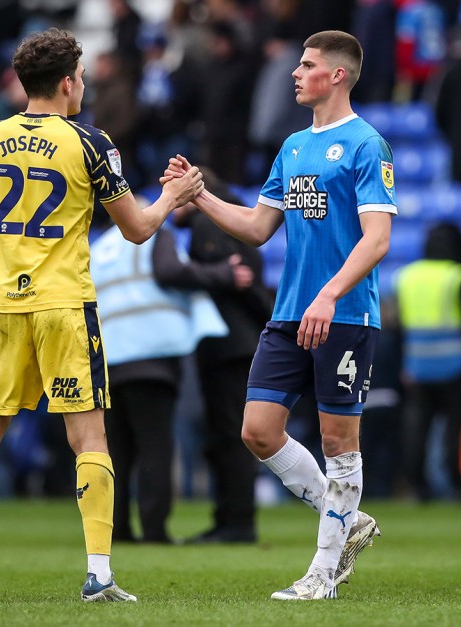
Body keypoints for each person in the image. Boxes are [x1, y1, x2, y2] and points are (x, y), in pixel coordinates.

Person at [0, 28, 204, 604]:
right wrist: (178, 194)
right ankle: (98, 574)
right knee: (89, 439)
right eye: (84, 77)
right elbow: (139, 229)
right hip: (65, 309)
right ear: (68, 82)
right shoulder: (89, 143)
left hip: (2, 311)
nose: (85, 85)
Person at [163, 30, 392, 601]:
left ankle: (323, 571)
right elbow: (259, 229)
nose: (295, 73)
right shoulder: (292, 146)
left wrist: (330, 294)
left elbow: (378, 239)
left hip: (343, 315)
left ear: (336, 75)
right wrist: (200, 197)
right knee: (258, 431)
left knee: (341, 443)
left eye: (307, 65)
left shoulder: (367, 145)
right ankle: (348, 523)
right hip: (291, 312)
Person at [91, 222, 227, 544]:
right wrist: (222, 274)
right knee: (155, 450)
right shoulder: (152, 233)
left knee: (116, 455)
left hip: (108, 361)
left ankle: (117, 530)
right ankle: (154, 531)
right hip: (152, 358)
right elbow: (170, 271)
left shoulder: (98, 249)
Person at [158, 170, 273, 545]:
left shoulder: (211, 226)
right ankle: (229, 519)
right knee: (227, 435)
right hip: (236, 344)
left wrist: (222, 276)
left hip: (230, 346)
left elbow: (244, 281)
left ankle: (236, 522)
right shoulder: (224, 218)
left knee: (230, 436)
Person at [395, 222, 461, 501]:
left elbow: (400, 328)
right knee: (453, 429)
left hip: (418, 365)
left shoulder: (406, 276)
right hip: (455, 364)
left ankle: (418, 487)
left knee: (417, 427)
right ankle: (456, 485)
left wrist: (404, 364)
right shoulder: (456, 276)